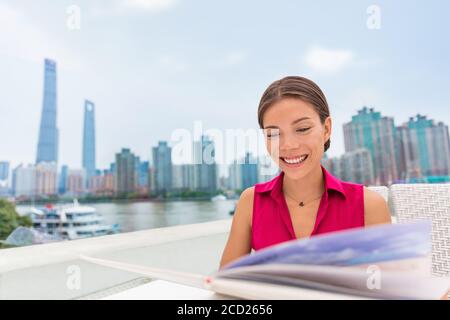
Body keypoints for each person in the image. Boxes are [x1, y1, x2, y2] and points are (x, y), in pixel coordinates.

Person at [220, 76, 391, 269]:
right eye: (273, 134)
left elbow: (385, 288)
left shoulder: (369, 206)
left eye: (302, 129)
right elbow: (226, 283)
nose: (288, 145)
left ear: (326, 129)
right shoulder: (250, 202)